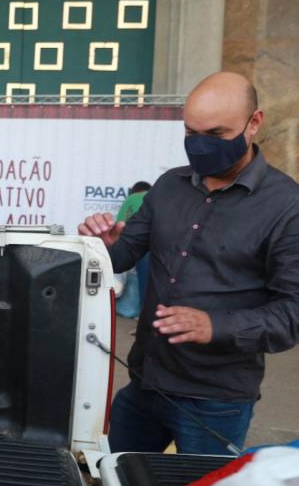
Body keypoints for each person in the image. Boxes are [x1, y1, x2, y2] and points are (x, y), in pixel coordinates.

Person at [78, 71, 299, 455]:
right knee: (114, 478)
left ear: (254, 123)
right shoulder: (168, 186)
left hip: (216, 400)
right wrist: (102, 247)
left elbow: (292, 313)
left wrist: (217, 326)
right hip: (145, 383)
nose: (199, 145)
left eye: (215, 134)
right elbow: (121, 255)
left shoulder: (286, 206)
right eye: (190, 132)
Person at [115, 181, 152, 318]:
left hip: (132, 245)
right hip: (154, 244)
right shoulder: (155, 197)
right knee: (148, 281)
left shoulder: (129, 200)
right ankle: (146, 313)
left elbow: (119, 225)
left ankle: (141, 313)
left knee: (138, 279)